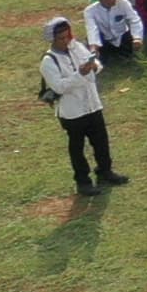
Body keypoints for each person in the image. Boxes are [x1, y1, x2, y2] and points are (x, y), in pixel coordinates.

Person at [41, 19, 120, 193]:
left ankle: (105, 171)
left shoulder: (76, 47)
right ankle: (83, 181)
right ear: (52, 40)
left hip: (92, 104)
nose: (66, 41)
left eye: (67, 36)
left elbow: (96, 66)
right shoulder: (48, 61)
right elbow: (59, 86)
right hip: (72, 111)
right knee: (77, 148)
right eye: (61, 38)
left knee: (101, 142)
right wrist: (80, 74)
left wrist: (93, 66)